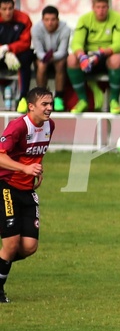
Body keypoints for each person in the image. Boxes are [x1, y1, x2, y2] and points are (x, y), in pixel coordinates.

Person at [0, 87, 55, 303]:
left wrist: (36, 170)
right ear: (31, 106)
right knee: (12, 244)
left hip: (27, 190)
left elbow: (33, 155)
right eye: (44, 104)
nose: (49, 108)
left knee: (29, 246)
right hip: (6, 186)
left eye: (51, 104)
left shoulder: (50, 126)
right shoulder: (18, 126)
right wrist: (24, 169)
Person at [67, 0, 120, 114]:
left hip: (107, 55)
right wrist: (82, 56)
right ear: (93, 8)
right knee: (71, 59)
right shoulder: (84, 19)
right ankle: (83, 100)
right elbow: (76, 43)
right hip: (88, 56)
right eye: (98, 7)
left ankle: (114, 101)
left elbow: (119, 44)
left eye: (104, 7)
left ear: (108, 7)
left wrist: (101, 54)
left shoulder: (118, 19)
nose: (101, 11)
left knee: (117, 59)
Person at [31, 5, 71, 112]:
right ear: (42, 20)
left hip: (58, 57)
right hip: (43, 57)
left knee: (60, 64)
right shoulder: (35, 29)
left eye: (53, 20)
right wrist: (45, 57)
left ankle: (58, 97)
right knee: (41, 65)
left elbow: (62, 51)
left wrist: (52, 56)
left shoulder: (66, 29)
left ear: (58, 20)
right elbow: (38, 51)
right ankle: (42, 97)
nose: (50, 23)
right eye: (47, 20)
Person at [0, 0, 33, 113]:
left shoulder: (24, 19)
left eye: (10, 8)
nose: (8, 12)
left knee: (27, 57)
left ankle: (23, 98)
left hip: (17, 54)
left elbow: (26, 42)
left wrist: (9, 48)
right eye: (4, 9)